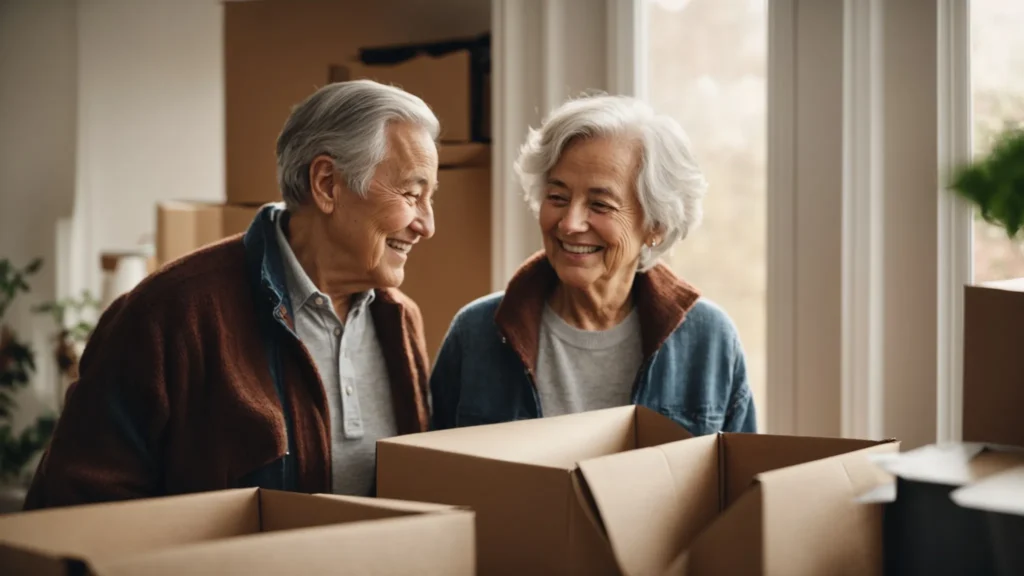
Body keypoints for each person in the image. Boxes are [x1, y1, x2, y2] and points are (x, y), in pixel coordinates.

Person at [25, 80, 440, 508]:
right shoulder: (170, 313)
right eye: (411, 195)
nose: (427, 225)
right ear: (327, 183)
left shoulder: (399, 321)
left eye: (430, 200)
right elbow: (74, 506)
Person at [430, 95, 756, 434]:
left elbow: (740, 480)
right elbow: (427, 475)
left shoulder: (709, 339)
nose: (570, 223)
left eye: (600, 204)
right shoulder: (477, 332)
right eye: (557, 197)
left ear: (656, 225)